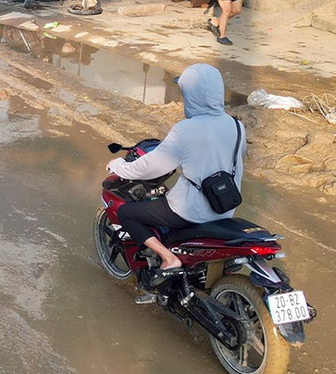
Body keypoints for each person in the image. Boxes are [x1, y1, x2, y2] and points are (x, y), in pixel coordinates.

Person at [105, 64, 245, 297]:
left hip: (188, 211)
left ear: (193, 95)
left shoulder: (186, 129)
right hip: (225, 209)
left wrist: (120, 166)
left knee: (128, 213)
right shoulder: (237, 126)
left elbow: (152, 167)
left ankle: (168, 258)